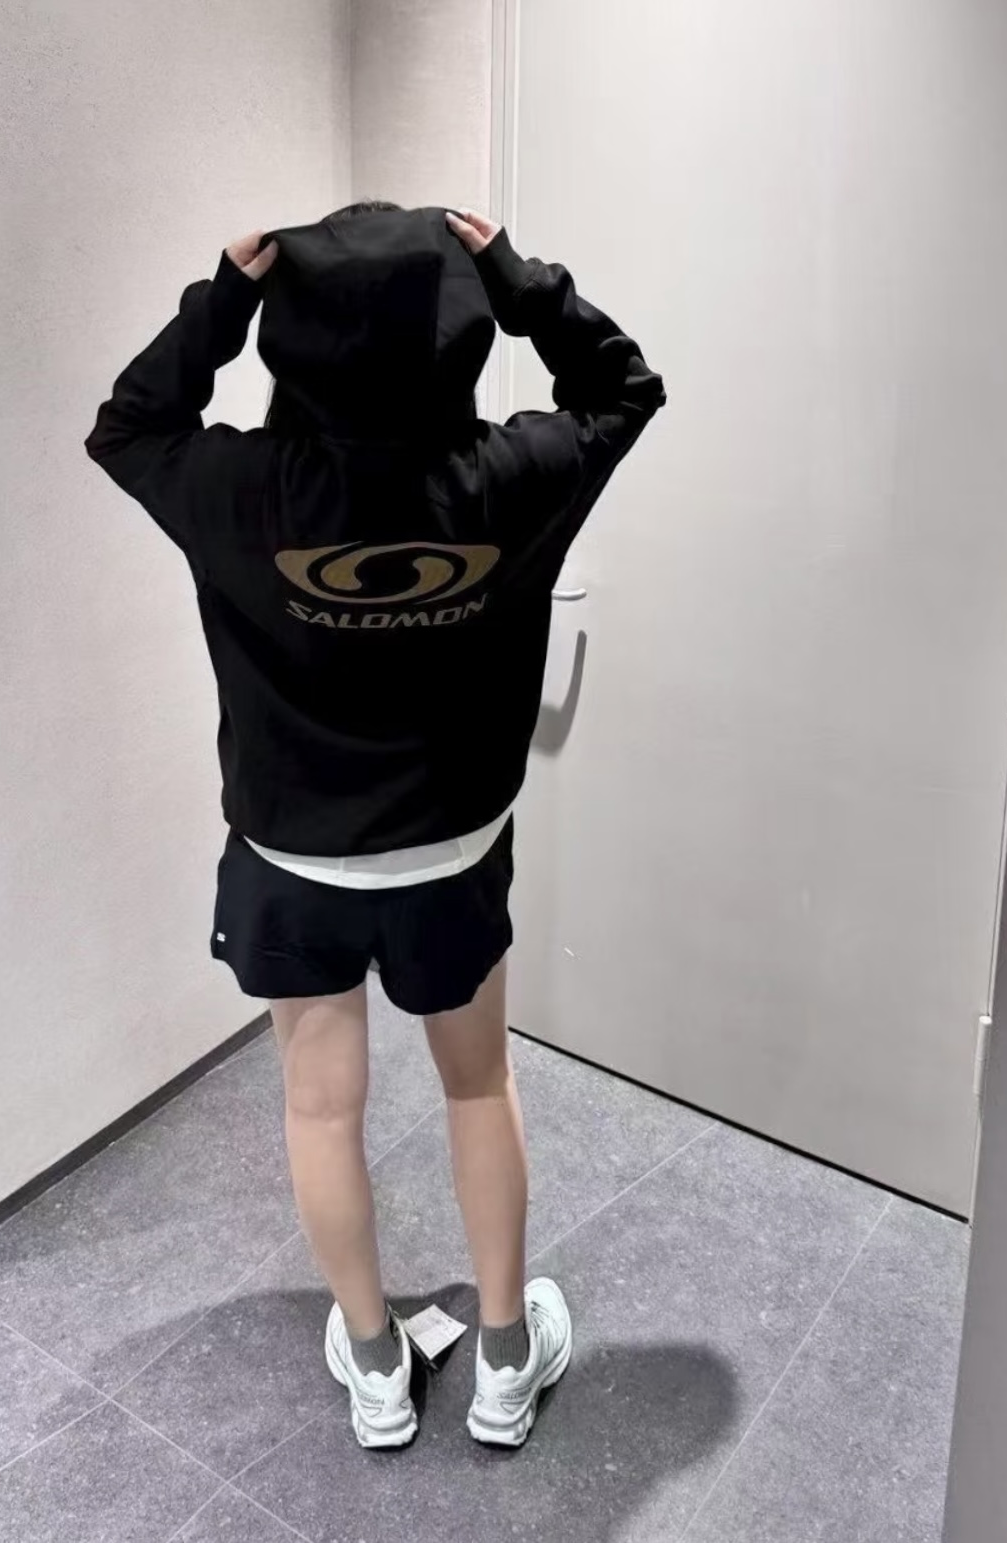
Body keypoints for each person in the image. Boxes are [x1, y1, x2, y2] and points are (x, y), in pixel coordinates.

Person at [85, 200, 666, 1450]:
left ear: (290, 338)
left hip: (290, 858)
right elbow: (624, 386)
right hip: (449, 853)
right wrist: (518, 278)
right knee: (478, 1083)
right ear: (458, 332)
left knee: (318, 1109)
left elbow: (125, 424)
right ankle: (503, 1362)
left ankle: (374, 1367)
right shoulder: (511, 475)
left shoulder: (239, 487)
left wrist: (222, 302)